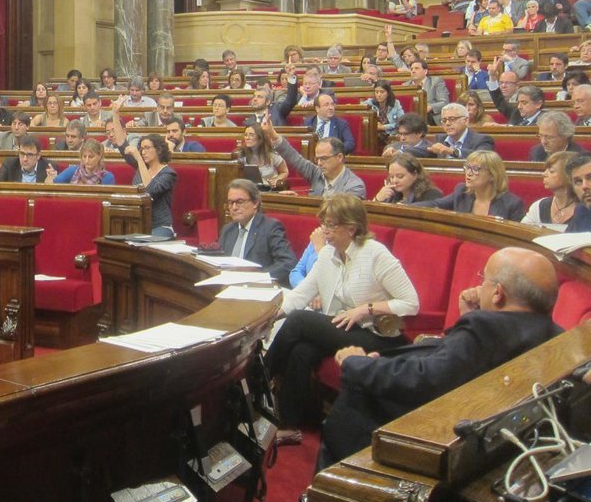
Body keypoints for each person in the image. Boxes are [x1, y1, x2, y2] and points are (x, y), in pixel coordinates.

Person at [321, 247, 561, 470]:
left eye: (484, 279)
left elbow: (424, 380)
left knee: (354, 393)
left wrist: (358, 363)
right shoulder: (554, 335)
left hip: (429, 431)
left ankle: (327, 485)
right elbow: (462, 359)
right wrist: (468, 316)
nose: (480, 287)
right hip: (482, 429)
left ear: (498, 293)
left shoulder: (485, 326)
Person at [267, 194, 419, 446]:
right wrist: (269, 317)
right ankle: (290, 425)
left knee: (300, 321)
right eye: (324, 224)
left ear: (351, 228)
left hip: (377, 336)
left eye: (331, 225)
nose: (324, 231)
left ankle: (259, 381)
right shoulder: (328, 254)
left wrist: (364, 310)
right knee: (302, 350)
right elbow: (301, 294)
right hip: (343, 328)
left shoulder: (375, 254)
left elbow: (411, 303)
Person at [106, 115, 176, 237]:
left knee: (143, 243)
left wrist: (139, 159)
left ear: (159, 150)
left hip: (160, 226)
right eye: (141, 149)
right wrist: (115, 113)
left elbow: (150, 190)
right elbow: (122, 144)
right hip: (138, 224)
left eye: (147, 148)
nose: (143, 152)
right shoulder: (141, 167)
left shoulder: (168, 173)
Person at [264, 115, 365, 198]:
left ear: (339, 157)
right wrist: (272, 134)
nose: (319, 163)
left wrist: (305, 201)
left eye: (324, 158)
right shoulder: (317, 173)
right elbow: (294, 158)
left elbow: (341, 213)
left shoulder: (354, 186)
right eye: (317, 159)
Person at [218, 179, 296, 286]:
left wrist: (258, 277)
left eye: (239, 202)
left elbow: (288, 262)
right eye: (231, 203)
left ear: (255, 203)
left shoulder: (270, 227)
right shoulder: (228, 230)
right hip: (228, 284)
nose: (234, 208)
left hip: (256, 286)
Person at [419, 150, 524, 221]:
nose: (468, 173)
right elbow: (435, 204)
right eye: (467, 167)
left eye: (475, 169)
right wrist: (409, 207)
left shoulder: (512, 204)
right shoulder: (462, 192)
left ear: (493, 175)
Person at [522, 151, 580, 230]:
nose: (544, 174)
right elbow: (522, 231)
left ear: (568, 176)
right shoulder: (539, 206)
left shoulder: (586, 209)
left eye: (551, 171)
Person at [428, 102, 496, 159]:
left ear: (466, 121)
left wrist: (452, 151)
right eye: (444, 120)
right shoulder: (440, 138)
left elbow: (481, 157)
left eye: (452, 119)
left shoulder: (482, 139)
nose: (447, 123)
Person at [371, 152, 442, 205]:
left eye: (400, 176)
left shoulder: (431, 195)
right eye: (392, 177)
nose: (394, 181)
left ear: (415, 174)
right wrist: (377, 199)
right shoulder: (391, 193)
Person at [238, 122, 288, 188]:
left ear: (260, 138)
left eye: (251, 135)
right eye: (246, 135)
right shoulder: (242, 155)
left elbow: (284, 172)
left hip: (270, 189)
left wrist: (276, 180)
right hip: (250, 189)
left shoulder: (272, 155)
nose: (247, 138)